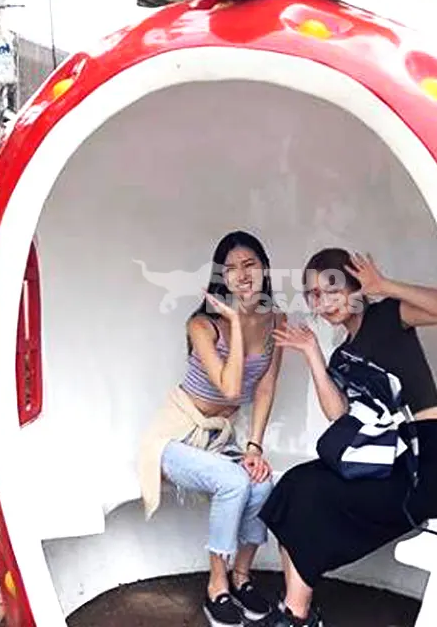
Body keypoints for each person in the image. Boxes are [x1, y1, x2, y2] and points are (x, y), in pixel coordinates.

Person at [258, 248, 437, 627]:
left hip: (421, 464)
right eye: (314, 295)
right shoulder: (342, 355)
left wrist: (384, 286)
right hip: (380, 459)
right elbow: (340, 416)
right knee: (294, 485)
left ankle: (296, 616)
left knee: (312, 495)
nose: (325, 302)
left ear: (355, 286)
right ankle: (296, 611)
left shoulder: (387, 316)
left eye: (332, 289)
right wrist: (314, 354)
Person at [138, 230, 287, 627]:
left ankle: (242, 576)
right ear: (222, 277)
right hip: (176, 435)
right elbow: (233, 387)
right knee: (234, 482)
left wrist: (254, 446)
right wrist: (235, 323)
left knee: (261, 482)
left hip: (220, 437)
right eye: (232, 268)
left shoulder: (276, 320)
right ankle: (216, 584)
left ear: (264, 268)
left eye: (249, 264)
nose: (241, 275)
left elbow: (266, 386)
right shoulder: (203, 325)